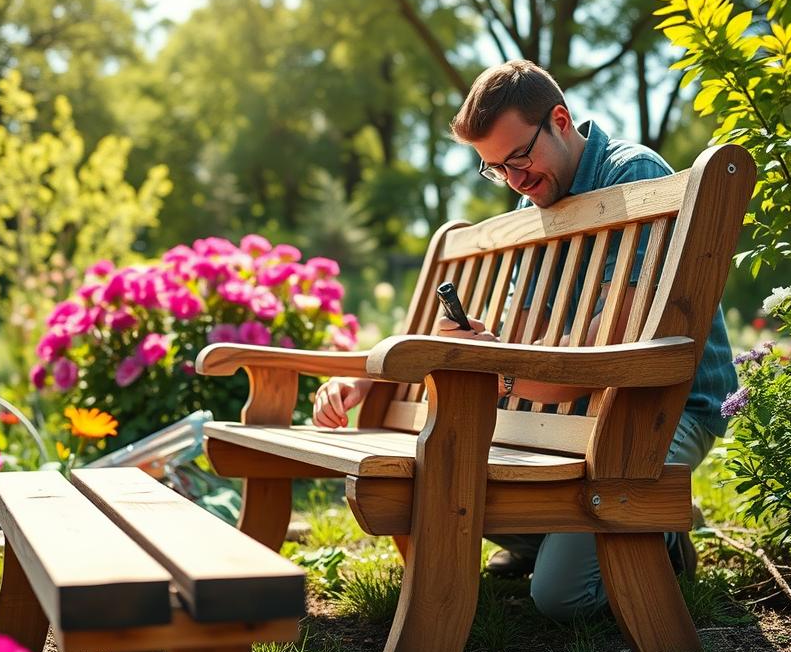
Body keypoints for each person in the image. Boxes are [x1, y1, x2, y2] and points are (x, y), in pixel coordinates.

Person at [312, 59, 737, 622]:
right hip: (572, 416)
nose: (514, 178)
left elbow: (609, 350)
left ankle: (654, 526)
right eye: (495, 168)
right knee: (452, 490)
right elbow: (521, 330)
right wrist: (376, 374)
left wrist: (502, 370)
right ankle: (602, 529)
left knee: (559, 599)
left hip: (658, 407)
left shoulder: (632, 175)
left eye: (518, 157)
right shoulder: (532, 201)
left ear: (559, 119)